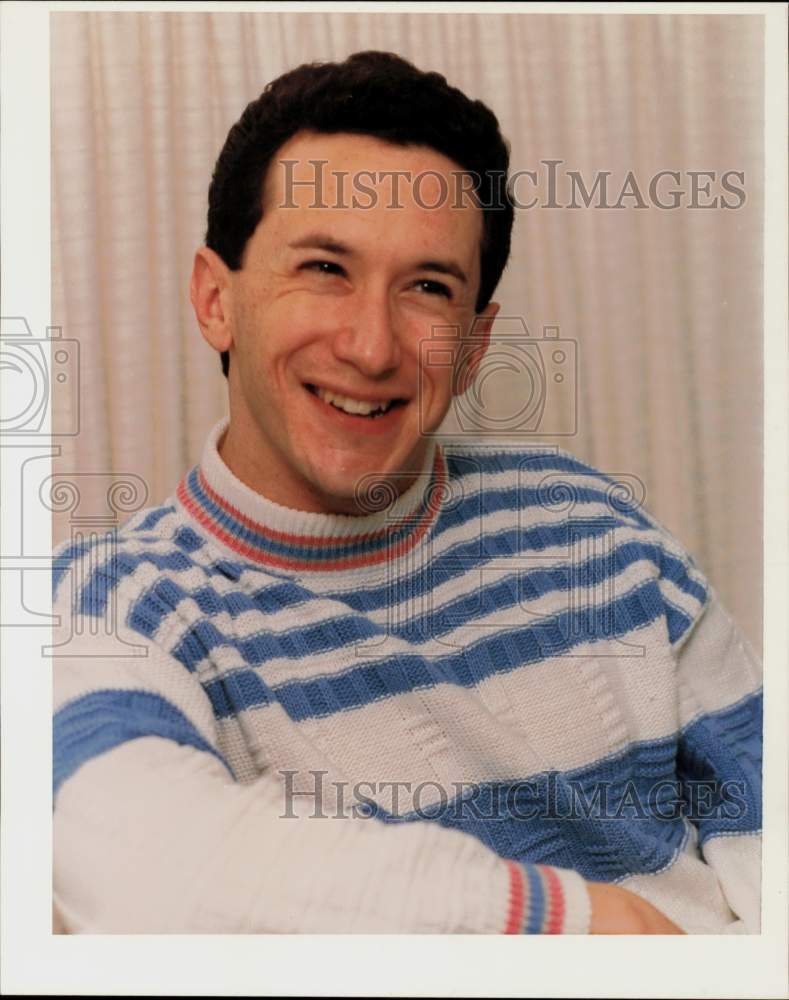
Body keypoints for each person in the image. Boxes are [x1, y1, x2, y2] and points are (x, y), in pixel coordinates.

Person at [52, 51, 762, 934]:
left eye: (427, 288)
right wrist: (577, 929)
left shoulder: (594, 526)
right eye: (323, 269)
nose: (373, 346)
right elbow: (144, 873)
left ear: (471, 345)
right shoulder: (101, 605)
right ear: (215, 300)